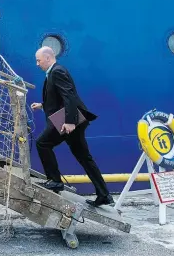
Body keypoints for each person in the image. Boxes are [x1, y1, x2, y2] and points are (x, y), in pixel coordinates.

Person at [30, 46, 114, 207]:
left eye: (38, 60)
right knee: (84, 157)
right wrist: (42, 105)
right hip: (69, 118)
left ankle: (55, 181)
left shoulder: (57, 72)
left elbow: (69, 96)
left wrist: (70, 122)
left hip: (67, 120)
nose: (37, 64)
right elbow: (59, 97)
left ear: (48, 58)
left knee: (42, 143)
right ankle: (104, 195)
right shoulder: (53, 72)